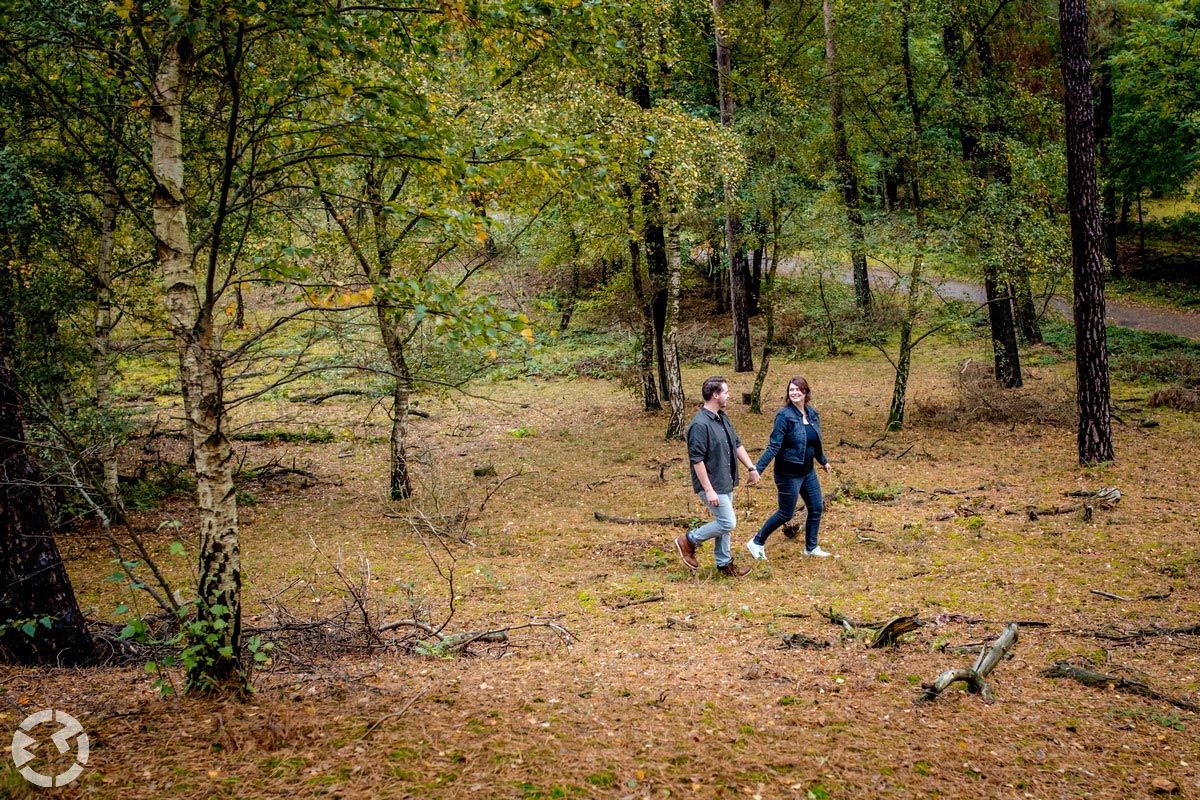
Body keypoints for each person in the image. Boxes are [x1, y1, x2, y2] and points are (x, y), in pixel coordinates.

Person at [674, 376, 760, 577]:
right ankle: (688, 540)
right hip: (711, 484)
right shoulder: (699, 425)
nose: (728, 395)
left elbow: (737, 444)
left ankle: (724, 564)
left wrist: (751, 467)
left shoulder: (723, 418)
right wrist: (709, 489)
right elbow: (697, 460)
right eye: (726, 392)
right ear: (715, 395)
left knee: (724, 523)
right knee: (728, 522)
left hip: (725, 480)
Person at [745, 376, 833, 560]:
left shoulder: (812, 414)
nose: (794, 393)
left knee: (816, 507)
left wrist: (823, 461)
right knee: (785, 513)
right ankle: (757, 542)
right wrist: (757, 469)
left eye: (797, 390)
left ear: (805, 392)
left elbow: (815, 443)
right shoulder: (784, 416)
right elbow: (774, 446)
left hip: (807, 471)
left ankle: (811, 548)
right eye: (791, 390)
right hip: (788, 473)